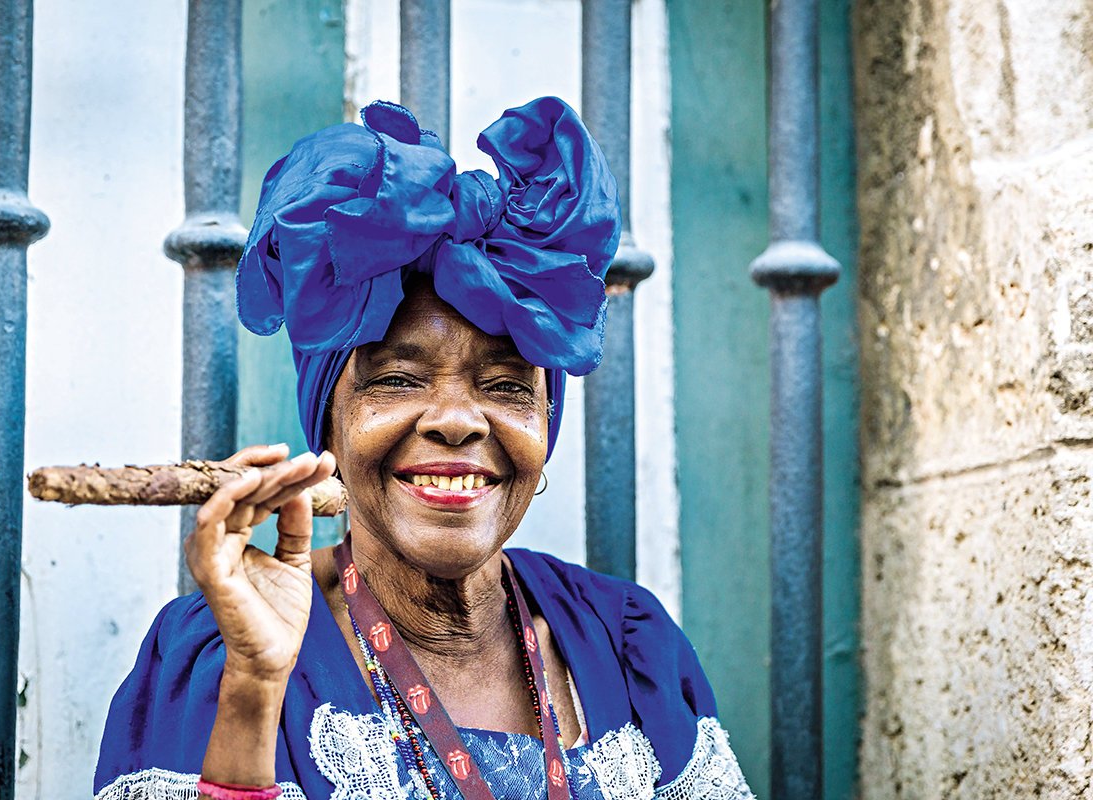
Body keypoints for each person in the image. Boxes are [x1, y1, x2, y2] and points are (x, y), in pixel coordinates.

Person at [93, 97, 753, 800]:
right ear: (329, 428)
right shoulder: (221, 650)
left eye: (506, 386)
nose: (458, 422)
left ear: (544, 428)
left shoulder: (628, 645)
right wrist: (254, 690)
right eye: (398, 379)